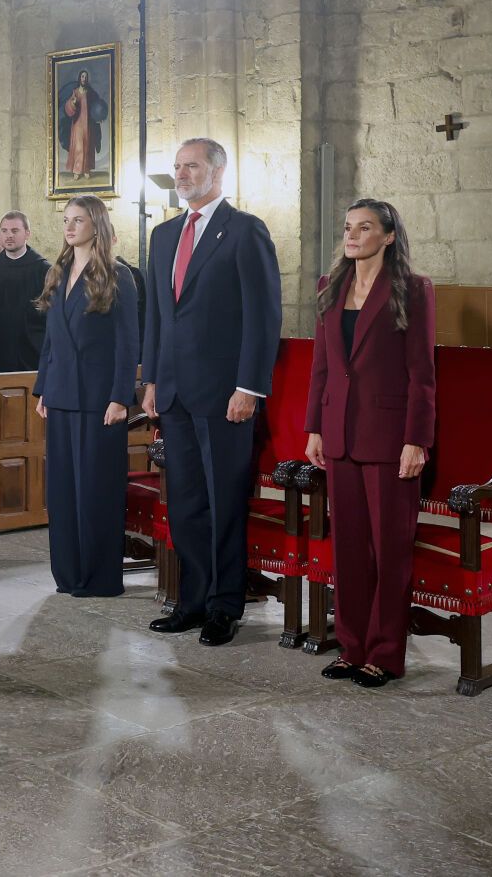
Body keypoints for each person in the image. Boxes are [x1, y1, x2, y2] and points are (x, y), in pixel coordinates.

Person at [141, 138, 282, 647]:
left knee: (224, 504)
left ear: (218, 172)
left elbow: (263, 318)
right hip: (175, 393)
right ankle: (193, 599)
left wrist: (249, 387)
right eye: (177, 166)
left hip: (226, 395)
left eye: (191, 166)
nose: (181, 174)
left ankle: (225, 606)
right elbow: (157, 315)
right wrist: (152, 379)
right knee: (186, 503)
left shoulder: (245, 231)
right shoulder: (162, 236)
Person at [305, 199, 436, 690]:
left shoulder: (413, 289)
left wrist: (416, 440)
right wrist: (314, 426)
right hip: (338, 433)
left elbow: (422, 374)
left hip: (390, 437)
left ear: (388, 236)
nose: (353, 235)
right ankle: (352, 647)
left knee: (390, 550)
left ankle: (385, 654)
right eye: (347, 228)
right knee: (351, 550)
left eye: (364, 228)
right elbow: (323, 364)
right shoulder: (330, 285)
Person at [33, 195, 140, 599]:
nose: (69, 226)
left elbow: (129, 344)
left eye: (78, 219)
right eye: (66, 220)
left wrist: (120, 397)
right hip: (60, 394)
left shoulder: (118, 276)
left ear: (96, 224)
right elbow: (51, 339)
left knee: (96, 489)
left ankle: (99, 578)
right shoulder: (57, 272)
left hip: (100, 400)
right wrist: (43, 387)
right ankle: (69, 574)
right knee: (61, 491)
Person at [0, 211, 50, 373]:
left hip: (34, 352)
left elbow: (52, 315)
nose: (8, 236)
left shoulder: (44, 271)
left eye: (15, 231)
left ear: (27, 233)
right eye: (4, 231)